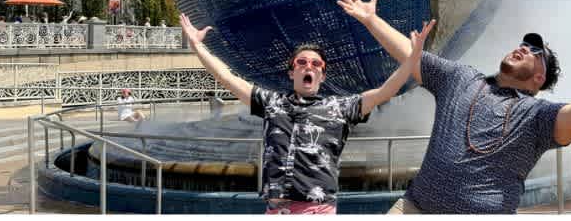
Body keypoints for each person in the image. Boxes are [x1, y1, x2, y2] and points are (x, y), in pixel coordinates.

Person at [337, 0, 571, 214]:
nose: (524, 48)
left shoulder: (535, 115)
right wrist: (370, 20)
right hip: (415, 208)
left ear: (539, 78)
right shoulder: (460, 78)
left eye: (535, 51)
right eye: (523, 44)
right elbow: (410, 54)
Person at [179, 12, 430, 215]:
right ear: (292, 73)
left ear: (322, 74)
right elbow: (225, 77)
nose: (308, 66)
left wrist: (413, 56)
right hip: (276, 209)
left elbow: (386, 91)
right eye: (301, 63)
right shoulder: (271, 103)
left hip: (317, 209)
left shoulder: (339, 109)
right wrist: (197, 46)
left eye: (316, 64)